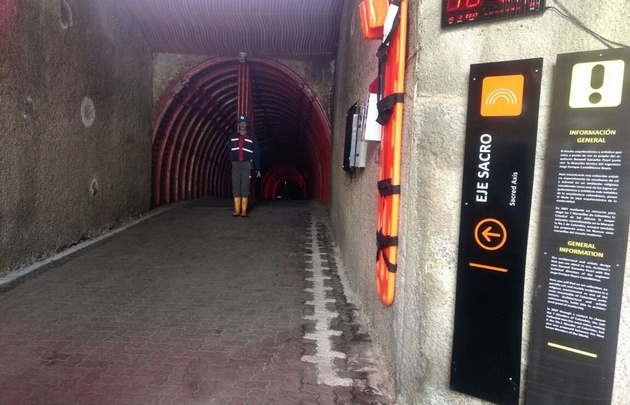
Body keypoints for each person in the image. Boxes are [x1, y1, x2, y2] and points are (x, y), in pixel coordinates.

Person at [228, 115, 260, 217]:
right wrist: (232, 161)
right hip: (236, 164)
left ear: (247, 125)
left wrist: (257, 168)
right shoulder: (232, 137)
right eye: (240, 123)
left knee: (245, 185)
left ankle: (244, 211)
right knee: (236, 185)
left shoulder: (252, 139)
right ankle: (237, 210)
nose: (242, 125)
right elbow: (229, 150)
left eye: (244, 123)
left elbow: (257, 153)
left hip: (247, 164)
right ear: (238, 125)